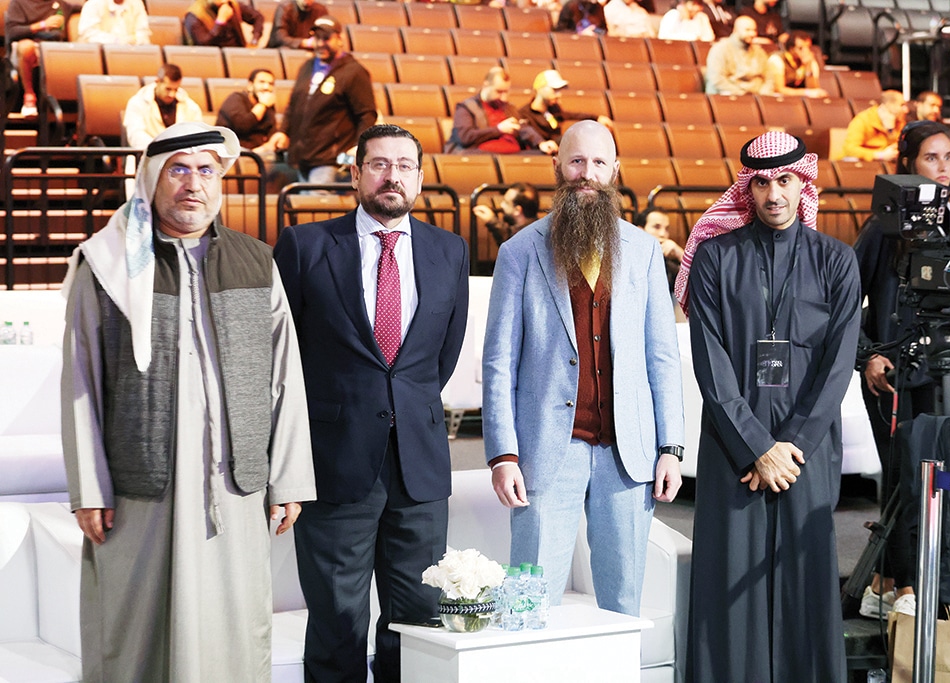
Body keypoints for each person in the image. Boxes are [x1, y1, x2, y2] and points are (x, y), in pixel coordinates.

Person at [61, 121, 317, 683]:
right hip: (139, 491)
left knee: (232, 630)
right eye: (178, 169)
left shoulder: (256, 261)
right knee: (133, 633)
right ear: (151, 179)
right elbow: (81, 380)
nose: (192, 184)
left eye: (205, 170)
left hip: (234, 488)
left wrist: (290, 480)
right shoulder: (103, 266)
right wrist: (88, 488)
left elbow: (285, 377)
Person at [273, 123, 469, 683]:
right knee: (337, 619)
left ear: (422, 178)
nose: (393, 176)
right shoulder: (305, 246)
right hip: (332, 463)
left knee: (418, 621)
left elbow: (441, 355)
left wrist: (406, 405)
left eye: (405, 165)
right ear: (355, 174)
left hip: (420, 467)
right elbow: (280, 357)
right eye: (379, 164)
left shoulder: (448, 250)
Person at [482, 120, 685, 618]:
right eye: (576, 161)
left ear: (614, 171)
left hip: (628, 454)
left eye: (598, 163)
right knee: (528, 608)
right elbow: (498, 363)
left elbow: (662, 357)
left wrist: (671, 447)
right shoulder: (518, 253)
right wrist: (502, 453)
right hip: (545, 450)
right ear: (557, 166)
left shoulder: (642, 252)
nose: (586, 174)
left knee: (622, 605)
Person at [677, 131, 860, 682]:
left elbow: (839, 365)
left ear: (802, 182)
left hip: (807, 451)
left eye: (785, 180)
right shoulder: (714, 258)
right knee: (729, 580)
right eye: (761, 182)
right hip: (734, 447)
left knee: (806, 578)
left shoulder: (837, 260)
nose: (773, 193)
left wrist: (791, 448)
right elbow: (711, 364)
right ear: (747, 188)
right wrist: (758, 449)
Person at [854, 120, 950, 619]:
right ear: (909, 163)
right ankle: (896, 583)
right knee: (901, 479)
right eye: (930, 157)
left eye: (947, 158)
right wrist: (867, 354)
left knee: (934, 478)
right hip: (889, 374)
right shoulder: (881, 228)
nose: (940, 166)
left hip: (942, 376)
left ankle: (903, 582)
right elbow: (847, 301)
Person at [280, 15, 376, 184]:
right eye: (316, 38)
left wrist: (359, 147)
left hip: (330, 162)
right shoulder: (307, 67)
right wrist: (283, 131)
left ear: (339, 39)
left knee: (315, 206)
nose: (320, 44)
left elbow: (366, 115)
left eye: (326, 38)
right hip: (302, 158)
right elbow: (293, 105)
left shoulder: (354, 72)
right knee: (302, 207)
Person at [445, 67, 551, 154]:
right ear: (486, 85)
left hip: (511, 154)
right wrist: (498, 130)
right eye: (499, 91)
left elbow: (522, 128)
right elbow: (465, 137)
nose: (503, 97)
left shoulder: (508, 107)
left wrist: (540, 143)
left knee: (545, 154)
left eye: (506, 92)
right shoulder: (466, 107)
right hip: (482, 153)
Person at [4, 0, 77, 115]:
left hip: (52, 50)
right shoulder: (19, 3)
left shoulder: (61, 4)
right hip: (22, 49)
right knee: (26, 47)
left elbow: (89, 7)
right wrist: (43, 25)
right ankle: (29, 97)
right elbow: (12, 32)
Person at [518, 69, 612, 150]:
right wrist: (541, 143)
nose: (559, 94)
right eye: (554, 90)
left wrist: (596, 118)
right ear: (540, 89)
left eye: (559, 90)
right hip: (540, 153)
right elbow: (526, 131)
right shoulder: (524, 113)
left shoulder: (554, 109)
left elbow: (571, 115)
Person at [123, 63, 204, 149]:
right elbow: (136, 135)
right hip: (146, 155)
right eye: (168, 89)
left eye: (175, 89)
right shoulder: (137, 103)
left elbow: (197, 136)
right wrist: (160, 149)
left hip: (181, 156)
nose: (172, 94)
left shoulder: (191, 107)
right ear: (157, 82)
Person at [215, 68, 287, 156]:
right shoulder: (236, 99)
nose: (266, 87)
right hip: (234, 151)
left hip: (261, 152)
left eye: (270, 84)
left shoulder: (269, 106)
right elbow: (242, 125)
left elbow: (271, 131)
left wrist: (272, 143)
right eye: (262, 82)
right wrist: (262, 105)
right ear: (250, 85)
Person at [704, 16, 771, 96]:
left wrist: (764, 93)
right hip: (730, 95)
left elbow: (769, 77)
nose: (752, 34)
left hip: (757, 95)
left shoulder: (759, 52)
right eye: (747, 30)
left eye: (754, 30)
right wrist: (741, 94)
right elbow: (716, 79)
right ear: (735, 30)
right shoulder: (720, 49)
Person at [842, 90, 907, 162]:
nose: (906, 110)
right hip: (866, 162)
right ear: (889, 104)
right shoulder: (863, 120)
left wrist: (890, 130)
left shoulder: (899, 121)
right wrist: (880, 155)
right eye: (902, 105)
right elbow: (849, 149)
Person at [473, 182, 539, 247]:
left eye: (506, 202)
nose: (502, 205)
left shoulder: (528, 237)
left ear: (517, 210)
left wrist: (493, 222)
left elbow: (512, 243)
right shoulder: (538, 229)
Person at [765, 30, 829, 98]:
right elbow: (779, 89)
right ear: (791, 48)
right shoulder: (777, 60)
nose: (805, 51)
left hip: (796, 99)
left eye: (808, 47)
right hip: (773, 98)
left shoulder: (810, 62)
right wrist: (806, 92)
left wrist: (808, 67)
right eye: (801, 48)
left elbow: (813, 90)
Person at [635, 208, 683, 292]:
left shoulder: (667, 263)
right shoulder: (628, 259)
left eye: (667, 229)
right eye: (656, 227)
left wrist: (680, 253)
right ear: (640, 230)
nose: (663, 234)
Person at [184, 0, 263, 47]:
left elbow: (258, 17)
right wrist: (220, 21)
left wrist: (254, 40)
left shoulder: (231, 5)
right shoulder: (195, 15)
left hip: (238, 51)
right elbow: (203, 43)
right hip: (212, 58)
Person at [75, 0, 150, 45]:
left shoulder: (137, 3)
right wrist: (118, 41)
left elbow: (143, 32)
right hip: (98, 54)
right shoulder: (93, 4)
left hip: (130, 53)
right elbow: (88, 34)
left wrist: (136, 41)